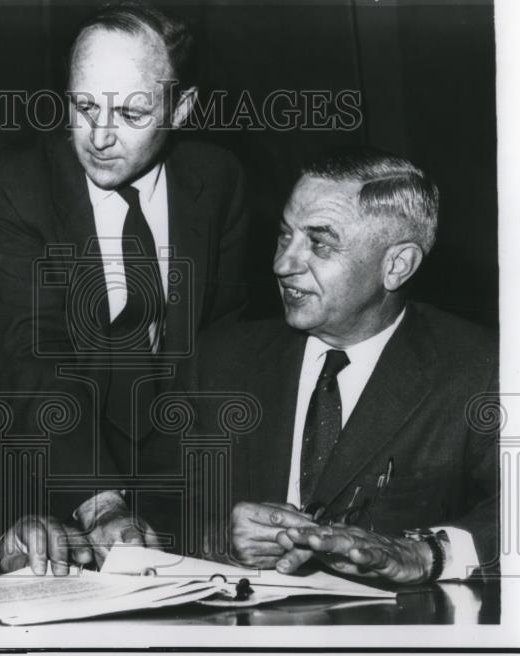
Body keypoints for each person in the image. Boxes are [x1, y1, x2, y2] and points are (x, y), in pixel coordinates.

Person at [0, 3, 249, 571]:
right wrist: (100, 503)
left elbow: (224, 345)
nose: (99, 136)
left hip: (193, 494)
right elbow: (28, 357)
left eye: (134, 112)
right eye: (84, 105)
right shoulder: (9, 187)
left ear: (182, 108)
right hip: (58, 494)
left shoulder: (217, 179)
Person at [175, 147, 498, 584]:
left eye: (319, 244)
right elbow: (160, 510)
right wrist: (220, 540)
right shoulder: (220, 360)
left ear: (397, 265)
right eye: (284, 236)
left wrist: (426, 553)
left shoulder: (479, 369)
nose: (282, 265)